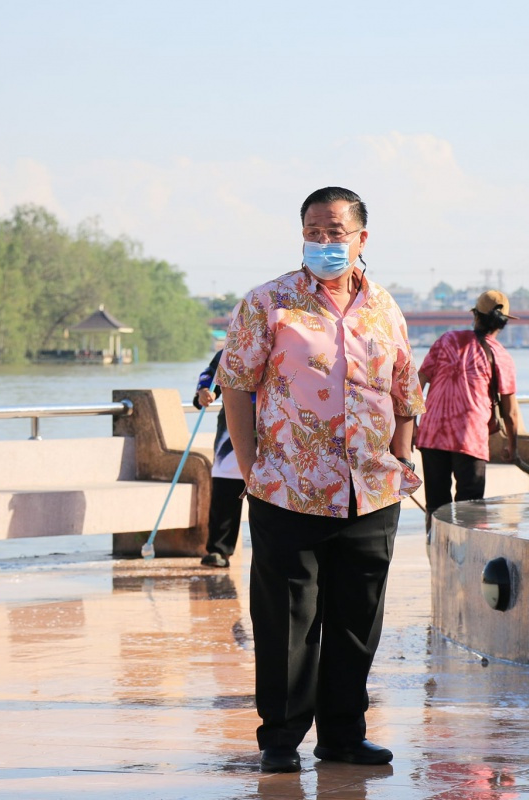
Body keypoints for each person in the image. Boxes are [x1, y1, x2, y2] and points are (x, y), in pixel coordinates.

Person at [216, 186, 425, 773]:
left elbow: (406, 393)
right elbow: (237, 381)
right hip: (289, 487)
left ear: (362, 238)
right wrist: (254, 466)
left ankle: (343, 736)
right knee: (287, 621)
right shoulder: (269, 302)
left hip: (373, 490)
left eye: (336, 232)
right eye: (314, 231)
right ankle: (281, 741)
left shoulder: (385, 308)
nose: (325, 242)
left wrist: (401, 461)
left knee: (358, 622)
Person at [415, 290, 520, 531]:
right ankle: (464, 561)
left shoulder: (446, 340)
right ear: (502, 324)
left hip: (432, 434)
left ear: (476, 316)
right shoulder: (502, 357)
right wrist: (512, 446)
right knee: (470, 508)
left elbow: (418, 381)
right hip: (470, 436)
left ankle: (436, 552)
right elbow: (510, 412)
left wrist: (412, 424)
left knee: (436, 505)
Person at [193, 349, 255, 568]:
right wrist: (203, 392)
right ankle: (219, 550)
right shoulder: (232, 349)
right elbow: (210, 375)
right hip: (233, 428)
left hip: (275, 426)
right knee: (226, 485)